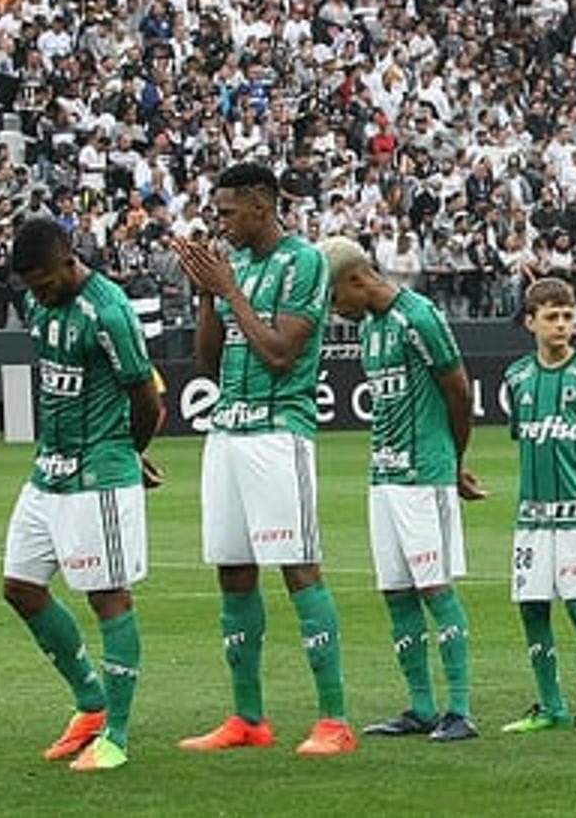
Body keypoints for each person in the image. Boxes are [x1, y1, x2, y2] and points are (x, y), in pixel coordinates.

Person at [168, 163, 352, 756]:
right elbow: (208, 364)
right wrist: (206, 293)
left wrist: (229, 292)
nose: (219, 223)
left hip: (279, 431)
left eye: (227, 211)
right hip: (226, 429)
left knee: (298, 567)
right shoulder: (235, 265)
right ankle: (248, 717)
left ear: (259, 204)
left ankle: (334, 720)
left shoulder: (305, 263)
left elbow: (278, 353)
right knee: (233, 570)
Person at [1, 218, 162, 772]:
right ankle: (90, 704)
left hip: (99, 474)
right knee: (20, 588)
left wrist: (129, 453)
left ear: (70, 260)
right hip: (48, 471)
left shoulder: (108, 312)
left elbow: (147, 399)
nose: (38, 294)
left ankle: (115, 735)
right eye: (31, 287)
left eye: (44, 283)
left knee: (107, 597)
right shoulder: (41, 307)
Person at [317, 235, 486, 744]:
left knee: (435, 587)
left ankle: (460, 709)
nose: (332, 310)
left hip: (424, 472)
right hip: (384, 474)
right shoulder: (370, 327)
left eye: (331, 298)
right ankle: (421, 706)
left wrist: (453, 463)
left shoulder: (420, 317)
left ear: (354, 280)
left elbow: (458, 389)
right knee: (396, 592)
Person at [498, 278, 576, 736]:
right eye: (552, 316)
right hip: (531, 514)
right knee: (532, 607)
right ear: (530, 322)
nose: (562, 325)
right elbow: (524, 437)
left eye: (568, 316)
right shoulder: (517, 377)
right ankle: (551, 705)